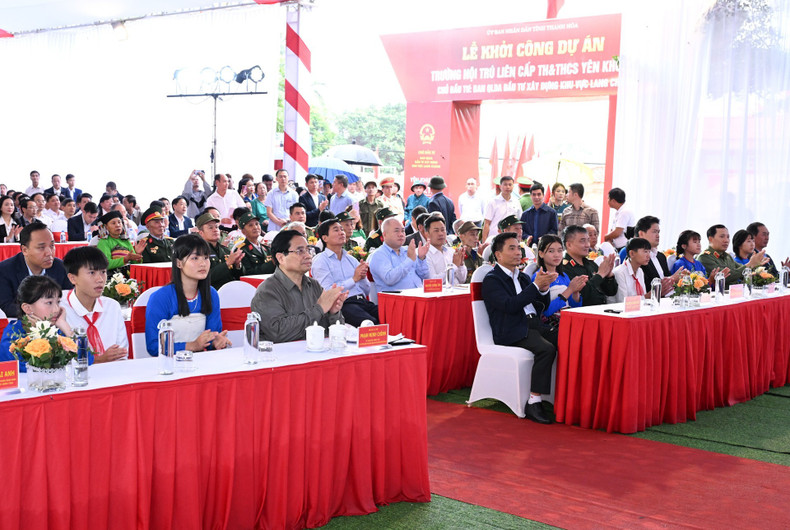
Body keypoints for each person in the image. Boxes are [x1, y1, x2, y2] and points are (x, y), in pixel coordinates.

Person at [482, 232, 557, 424]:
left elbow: (542, 305)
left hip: (532, 324)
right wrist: (534, 286)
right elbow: (509, 306)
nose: (518, 252)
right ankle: (534, 401)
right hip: (511, 329)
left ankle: (563, 395)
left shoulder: (523, 277)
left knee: (568, 338)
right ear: (498, 255)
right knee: (546, 349)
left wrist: (543, 288)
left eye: (519, 247)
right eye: (512, 248)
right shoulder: (492, 280)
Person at [252, 230, 346, 343]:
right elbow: (278, 332)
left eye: (308, 250)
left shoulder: (314, 285)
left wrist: (333, 312)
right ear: (281, 258)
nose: (308, 255)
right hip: (283, 357)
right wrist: (319, 309)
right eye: (300, 251)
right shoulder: (267, 291)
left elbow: (332, 331)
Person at [145, 235, 232, 355]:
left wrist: (215, 341)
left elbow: (212, 334)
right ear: (179, 263)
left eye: (206, 257)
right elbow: (153, 346)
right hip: (169, 366)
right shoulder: (160, 297)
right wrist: (192, 346)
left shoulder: (211, 294)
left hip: (202, 364)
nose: (203, 264)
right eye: (195, 258)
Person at [61, 246, 128, 362]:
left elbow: (121, 355)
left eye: (103, 272)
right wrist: (98, 360)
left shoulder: (112, 306)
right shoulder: (59, 308)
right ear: (72, 278)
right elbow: (60, 361)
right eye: (92, 273)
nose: (100, 279)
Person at [311, 218, 378, 326]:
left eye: (342, 229)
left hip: (362, 301)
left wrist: (362, 276)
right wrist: (354, 279)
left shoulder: (351, 259)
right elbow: (327, 291)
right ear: (325, 238)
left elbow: (365, 290)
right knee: (370, 323)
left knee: (390, 315)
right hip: (342, 304)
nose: (342, 232)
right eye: (336, 230)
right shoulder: (321, 261)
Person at [0, 275, 75, 372]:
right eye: (49, 303)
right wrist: (42, 334)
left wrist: (66, 328)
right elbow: (17, 367)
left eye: (58, 302)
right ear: (27, 308)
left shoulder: (56, 330)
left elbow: (87, 359)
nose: (57, 309)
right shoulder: (13, 333)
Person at [0, 222, 73, 317]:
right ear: (25, 250)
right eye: (41, 247)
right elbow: (6, 306)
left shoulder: (61, 267)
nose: (49, 253)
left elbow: (68, 300)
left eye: (52, 245)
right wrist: (40, 314)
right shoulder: (5, 270)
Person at [533, 234, 586, 319]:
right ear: (541, 254)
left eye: (560, 250)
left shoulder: (563, 276)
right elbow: (545, 312)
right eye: (551, 251)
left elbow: (575, 307)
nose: (556, 255)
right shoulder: (539, 277)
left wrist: (576, 292)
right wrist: (569, 290)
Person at [368, 217, 430, 289]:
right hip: (396, 298)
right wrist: (409, 260)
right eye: (396, 231)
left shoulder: (407, 250)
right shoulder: (378, 255)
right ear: (384, 234)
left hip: (419, 294)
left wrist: (421, 258)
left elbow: (425, 276)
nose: (401, 234)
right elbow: (389, 279)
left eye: (403, 231)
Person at [562, 225, 617, 306]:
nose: (587, 245)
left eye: (588, 240)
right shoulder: (564, 267)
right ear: (569, 245)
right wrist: (600, 275)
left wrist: (609, 275)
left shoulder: (590, 263)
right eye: (582, 241)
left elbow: (611, 292)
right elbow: (583, 296)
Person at [698, 224, 768, 286]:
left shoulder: (727, 256)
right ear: (710, 239)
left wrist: (756, 266)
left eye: (728, 237)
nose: (726, 240)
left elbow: (741, 270)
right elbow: (726, 277)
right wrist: (750, 264)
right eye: (722, 237)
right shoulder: (705, 257)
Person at [195, 211, 243, 289]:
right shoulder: (197, 253)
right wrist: (227, 264)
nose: (215, 230)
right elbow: (203, 277)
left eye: (217, 227)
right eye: (210, 227)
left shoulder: (226, 250)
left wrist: (237, 266)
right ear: (201, 233)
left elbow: (239, 277)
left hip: (231, 290)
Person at [423, 214, 466, 284]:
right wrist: (454, 266)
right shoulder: (424, 255)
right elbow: (433, 281)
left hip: (457, 291)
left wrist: (460, 264)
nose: (441, 233)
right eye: (436, 231)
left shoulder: (451, 251)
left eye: (443, 230)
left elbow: (462, 280)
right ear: (427, 234)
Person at [482, 175, 522, 242]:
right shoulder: (493, 202)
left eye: (510, 184)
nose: (508, 187)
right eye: (505, 184)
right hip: (495, 237)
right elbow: (487, 223)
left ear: (513, 187)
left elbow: (518, 221)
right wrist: (484, 241)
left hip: (511, 238)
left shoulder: (516, 202)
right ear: (500, 186)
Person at [612, 237, 651, 302]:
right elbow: (622, 302)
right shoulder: (619, 272)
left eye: (649, 252)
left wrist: (646, 297)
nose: (648, 256)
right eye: (645, 252)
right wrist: (647, 297)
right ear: (632, 253)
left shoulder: (640, 271)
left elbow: (643, 297)